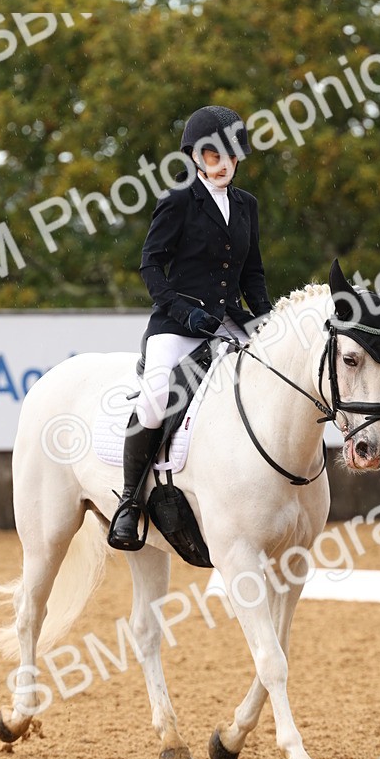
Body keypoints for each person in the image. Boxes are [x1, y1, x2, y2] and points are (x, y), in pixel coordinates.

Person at [107, 105, 274, 549]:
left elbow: (251, 273)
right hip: (177, 324)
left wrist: (265, 321)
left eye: (231, 156)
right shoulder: (178, 200)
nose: (223, 165)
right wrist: (185, 313)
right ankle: (128, 502)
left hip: (227, 323)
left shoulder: (246, 206)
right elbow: (151, 267)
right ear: (196, 157)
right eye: (214, 156)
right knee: (156, 397)